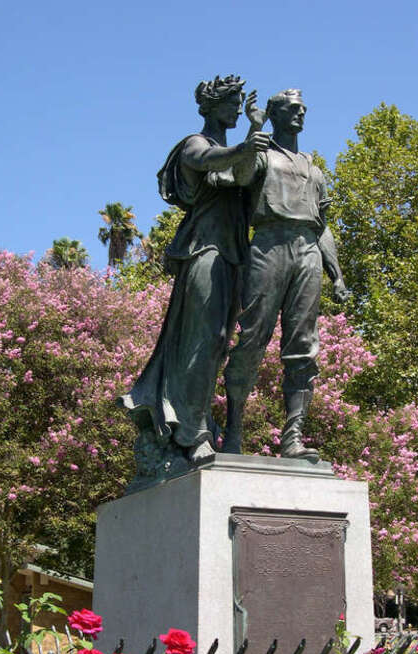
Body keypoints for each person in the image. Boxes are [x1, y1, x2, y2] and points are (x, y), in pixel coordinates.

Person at [118, 75, 269, 468]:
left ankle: (196, 422)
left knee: (218, 342)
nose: (238, 107)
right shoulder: (194, 144)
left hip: (233, 254)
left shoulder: (233, 149)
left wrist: (254, 129)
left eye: (240, 101)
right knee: (202, 340)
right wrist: (245, 143)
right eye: (232, 102)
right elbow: (205, 161)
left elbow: (247, 172)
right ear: (212, 105)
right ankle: (192, 431)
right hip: (203, 249)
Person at [223, 89, 349, 462]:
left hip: (307, 251)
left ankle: (292, 438)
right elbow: (241, 175)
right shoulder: (261, 153)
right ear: (275, 114)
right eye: (292, 109)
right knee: (252, 339)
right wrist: (252, 132)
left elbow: (322, 225)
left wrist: (336, 273)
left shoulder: (314, 168)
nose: (300, 114)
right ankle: (232, 432)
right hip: (268, 246)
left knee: (303, 347)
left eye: (303, 109)